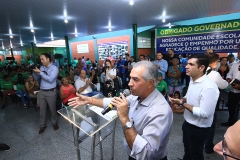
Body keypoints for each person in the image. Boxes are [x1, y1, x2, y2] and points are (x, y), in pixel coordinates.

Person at [69, 61, 173, 160]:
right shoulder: (138, 95)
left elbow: (144, 154)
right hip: (132, 154)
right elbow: (114, 102)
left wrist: (124, 118)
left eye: (135, 80)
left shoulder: (160, 112)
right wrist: (90, 100)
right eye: (130, 78)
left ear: (150, 83)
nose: (129, 84)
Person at [169, 54, 219, 160]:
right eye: (187, 63)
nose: (186, 66)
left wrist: (183, 104)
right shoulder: (193, 79)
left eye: (191, 64)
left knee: (196, 154)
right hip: (188, 123)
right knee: (188, 151)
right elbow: (189, 96)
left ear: (201, 68)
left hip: (199, 128)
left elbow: (205, 113)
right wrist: (182, 100)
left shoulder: (209, 87)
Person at [204, 54, 228, 154]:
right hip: (210, 102)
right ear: (214, 62)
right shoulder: (214, 74)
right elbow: (224, 85)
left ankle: (202, 143)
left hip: (199, 101)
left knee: (202, 124)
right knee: (211, 125)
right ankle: (208, 147)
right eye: (218, 62)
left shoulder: (200, 70)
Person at [33, 53, 59, 134]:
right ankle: (42, 125)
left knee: (52, 109)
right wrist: (34, 71)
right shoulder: (41, 67)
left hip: (51, 91)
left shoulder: (54, 68)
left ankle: (54, 123)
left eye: (42, 59)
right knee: (42, 110)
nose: (41, 61)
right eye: (40, 59)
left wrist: (40, 72)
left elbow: (50, 79)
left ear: (48, 59)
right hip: (42, 91)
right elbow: (37, 78)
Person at [221, 52, 240, 127]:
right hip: (233, 90)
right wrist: (229, 79)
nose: (238, 54)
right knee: (231, 106)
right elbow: (229, 74)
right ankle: (231, 122)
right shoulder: (235, 64)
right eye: (238, 52)